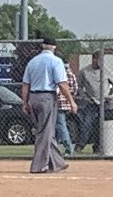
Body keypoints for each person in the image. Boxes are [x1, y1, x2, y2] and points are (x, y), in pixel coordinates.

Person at [21, 36, 75, 174]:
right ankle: (38, 165)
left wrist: (25, 102)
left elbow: (25, 85)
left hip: (33, 97)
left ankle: (57, 162)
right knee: (44, 133)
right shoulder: (55, 61)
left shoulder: (32, 62)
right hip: (47, 97)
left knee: (46, 132)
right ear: (54, 47)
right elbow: (62, 84)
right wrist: (71, 101)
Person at [75, 51, 113, 153]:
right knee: (86, 124)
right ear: (94, 59)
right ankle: (79, 146)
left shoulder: (106, 71)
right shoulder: (84, 71)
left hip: (105, 102)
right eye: (100, 60)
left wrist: (112, 95)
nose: (102, 63)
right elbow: (79, 87)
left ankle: (98, 147)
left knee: (102, 126)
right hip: (91, 103)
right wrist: (84, 97)